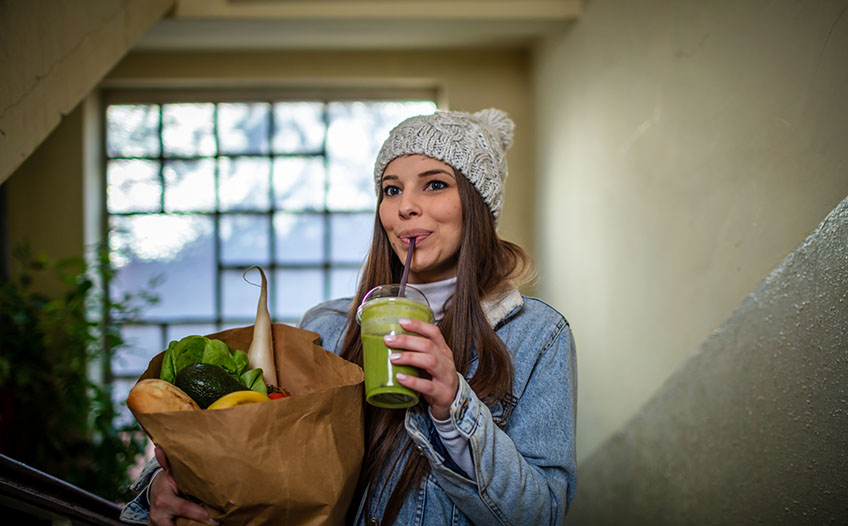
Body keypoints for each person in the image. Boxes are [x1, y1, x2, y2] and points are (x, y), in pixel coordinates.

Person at [120, 108, 577, 526]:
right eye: (391, 189)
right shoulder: (327, 326)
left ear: (477, 206)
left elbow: (543, 515)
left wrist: (454, 404)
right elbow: (262, 456)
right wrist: (164, 489)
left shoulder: (538, 336)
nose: (404, 206)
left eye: (434, 184)